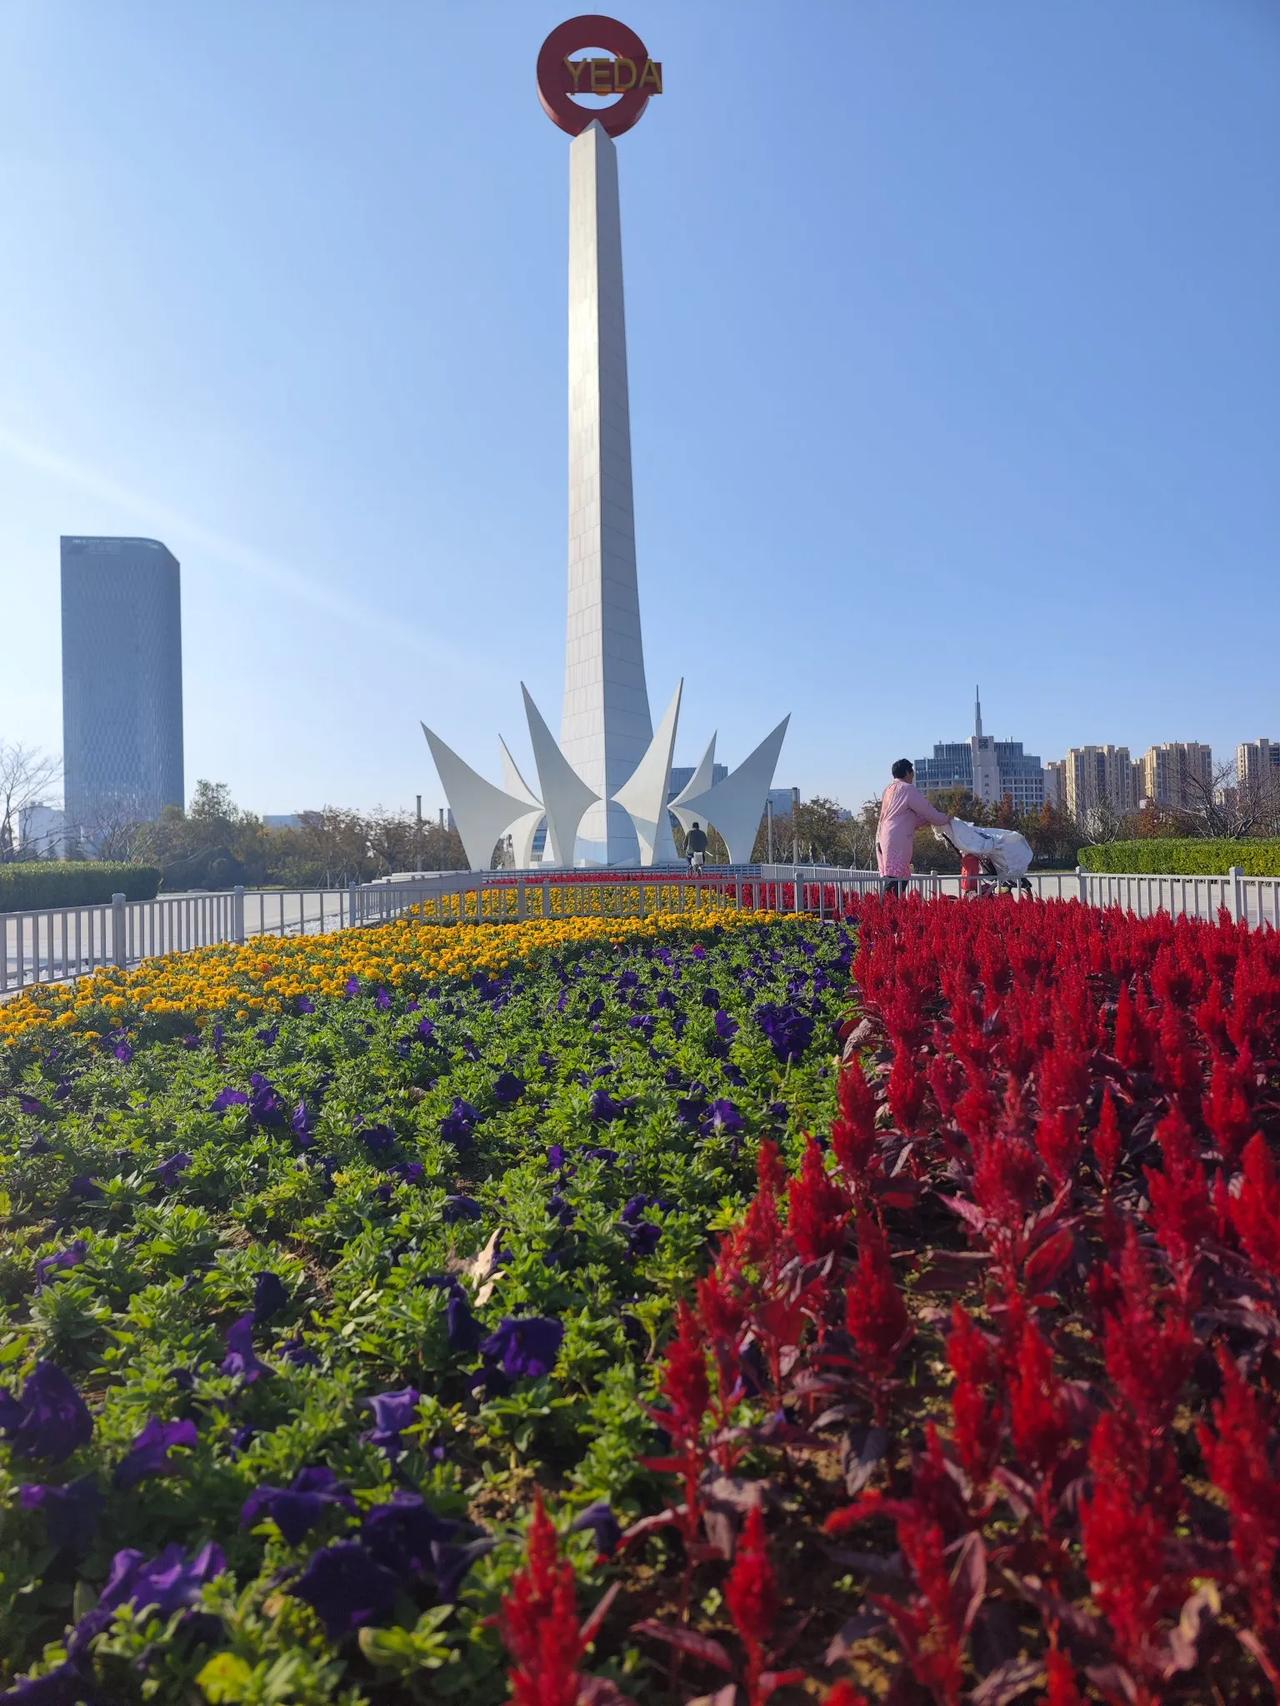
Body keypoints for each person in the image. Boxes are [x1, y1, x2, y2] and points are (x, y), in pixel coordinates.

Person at [875, 760, 951, 896]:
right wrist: (945, 818)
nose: (913, 776)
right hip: (897, 839)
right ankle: (883, 913)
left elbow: (906, 817)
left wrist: (929, 820)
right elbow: (927, 810)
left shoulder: (888, 789)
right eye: (912, 772)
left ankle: (886, 912)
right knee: (895, 881)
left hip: (883, 835)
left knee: (895, 876)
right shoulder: (907, 789)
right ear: (907, 772)